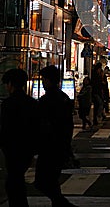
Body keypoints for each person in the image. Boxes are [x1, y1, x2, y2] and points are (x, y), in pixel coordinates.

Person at [34, 65, 77, 207]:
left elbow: (42, 124)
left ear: (48, 80)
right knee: (51, 180)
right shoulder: (63, 98)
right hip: (59, 146)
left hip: (49, 147)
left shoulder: (47, 100)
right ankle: (59, 203)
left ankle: (62, 204)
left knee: (42, 181)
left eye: (43, 79)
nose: (42, 82)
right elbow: (68, 125)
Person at [0, 68, 39, 207]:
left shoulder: (7, 104)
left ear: (10, 84)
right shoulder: (32, 103)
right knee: (17, 180)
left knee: (13, 182)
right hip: (27, 148)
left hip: (12, 148)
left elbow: (4, 128)